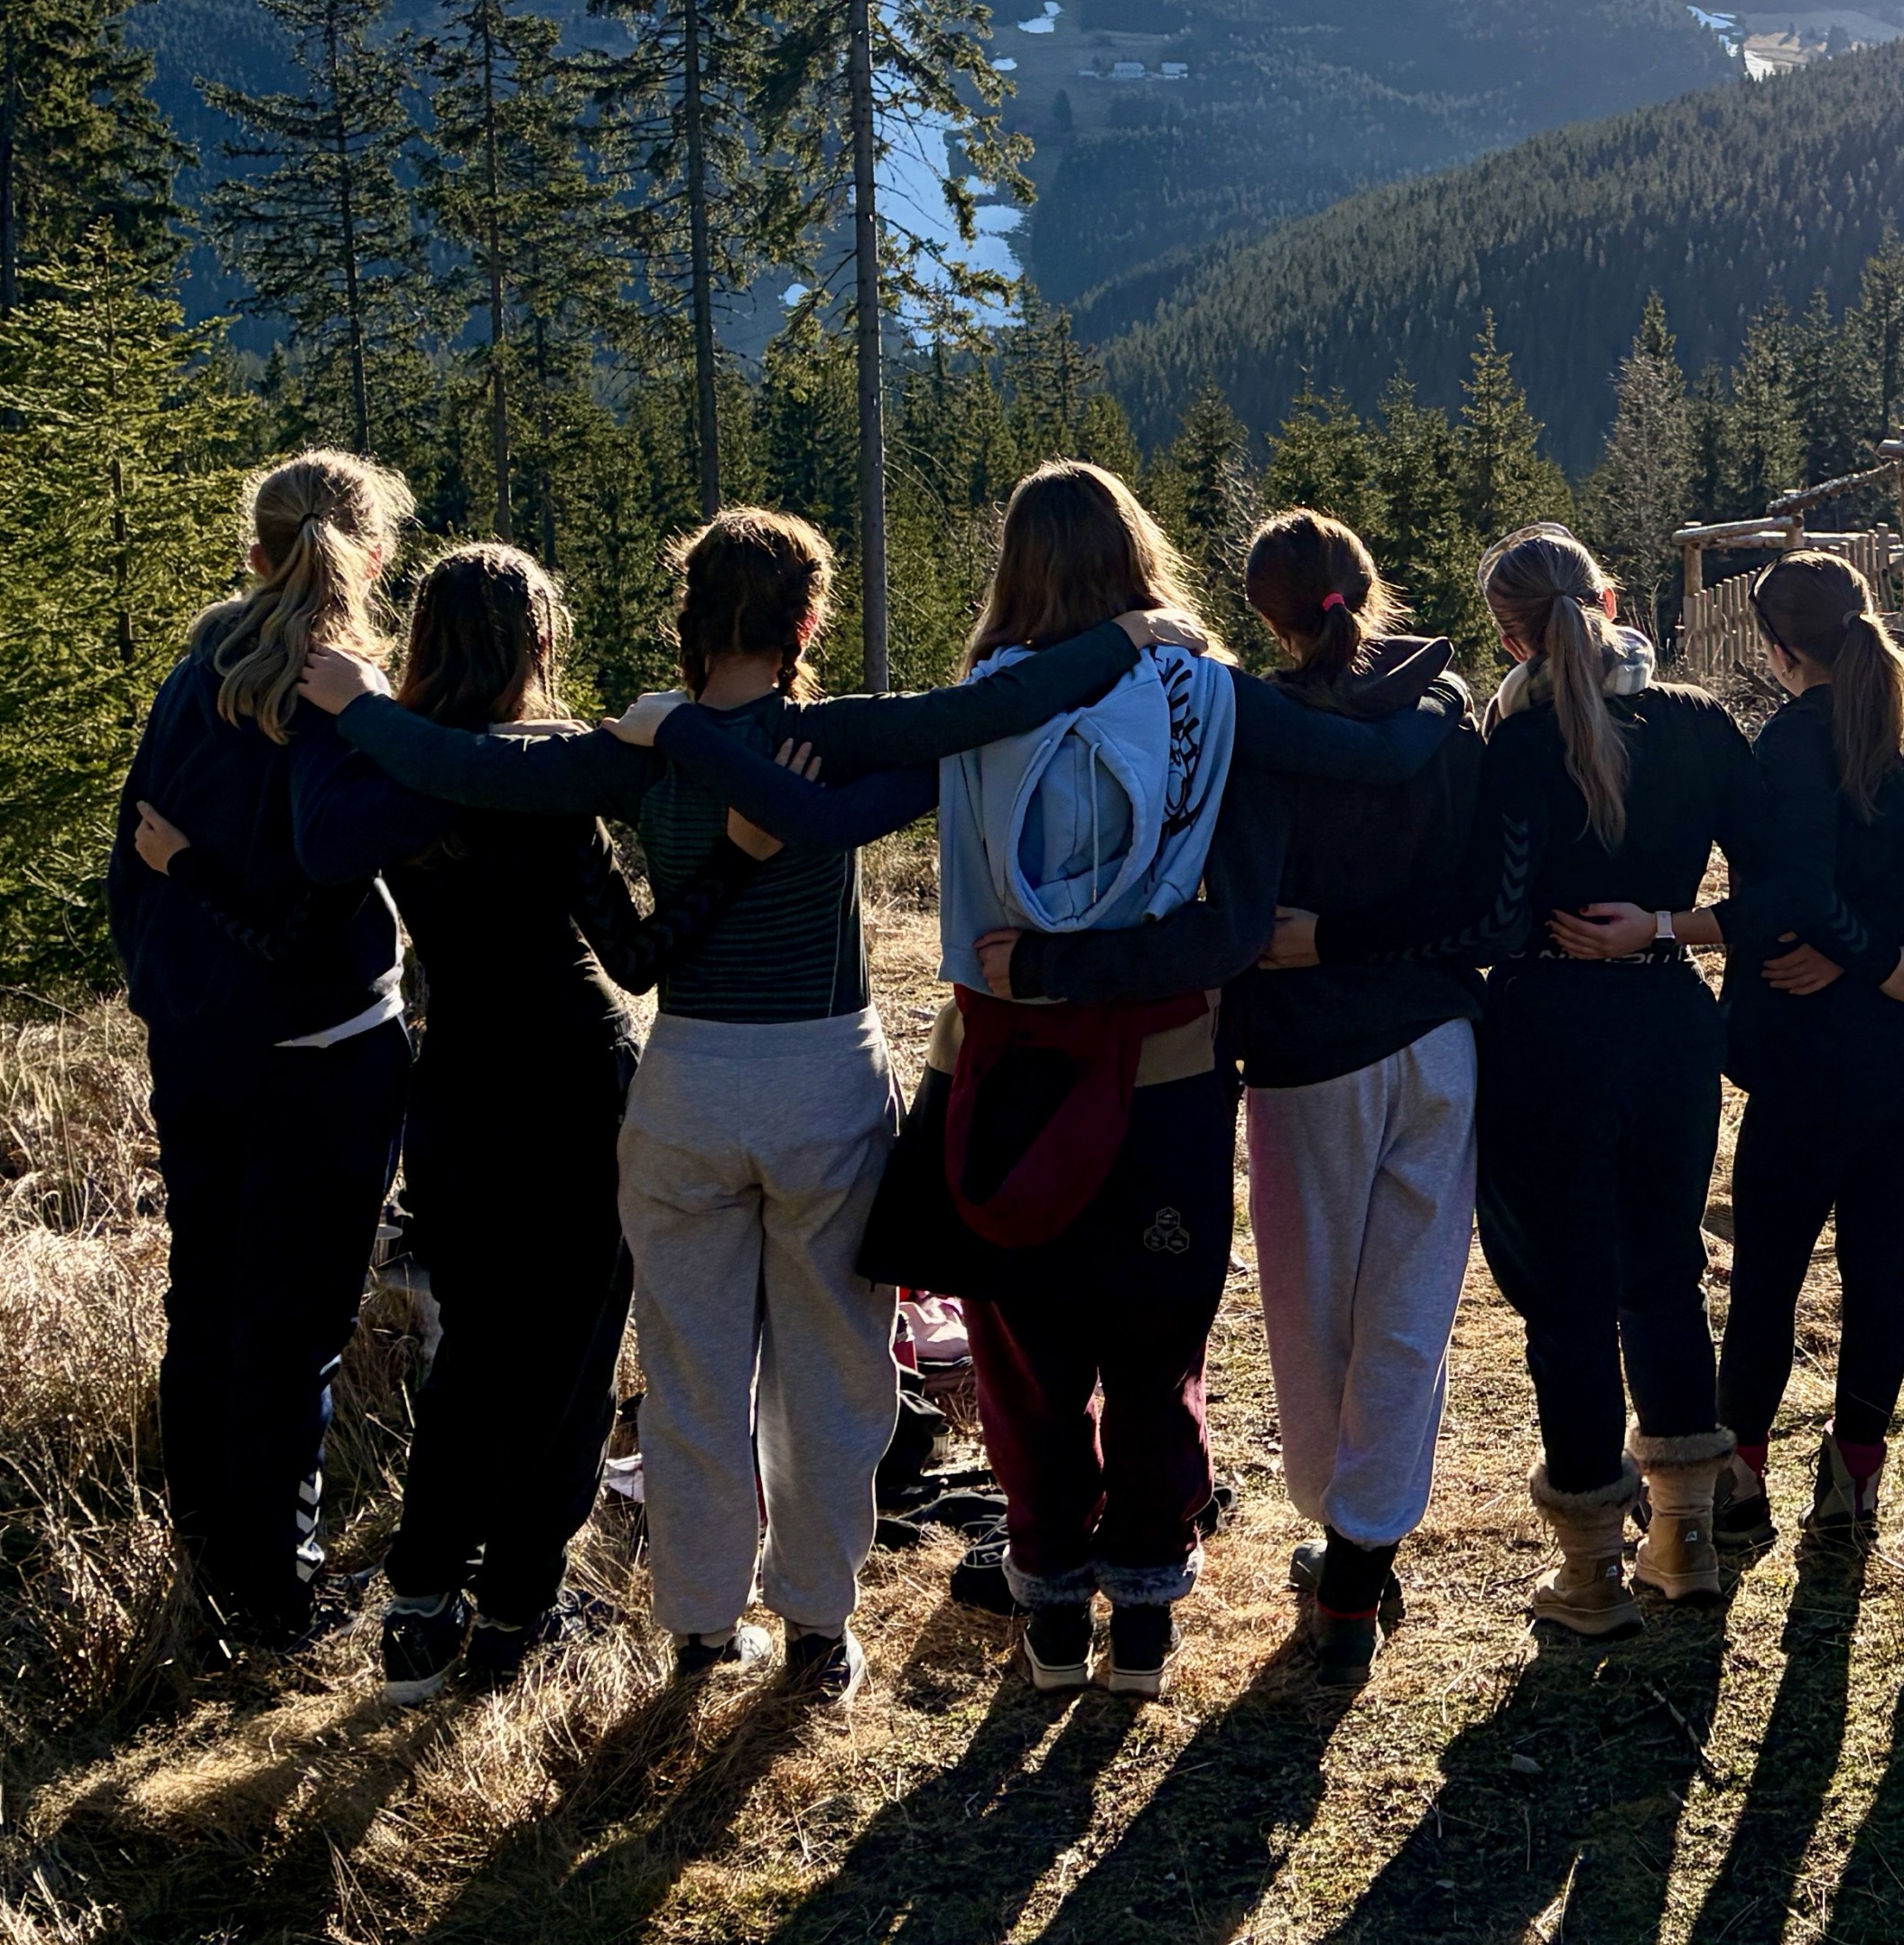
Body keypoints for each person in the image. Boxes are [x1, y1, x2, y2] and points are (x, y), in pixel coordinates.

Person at [309, 507, 1158, 1707]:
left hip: (687, 1086)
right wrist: (1128, 637)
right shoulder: (840, 735)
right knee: (834, 1370)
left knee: (691, 1370)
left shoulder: (638, 745)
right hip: (820, 1078)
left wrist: (357, 701)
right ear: (808, 620)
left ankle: (703, 1626)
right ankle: (817, 1626)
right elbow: (982, 712)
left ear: (687, 617)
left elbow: (472, 765)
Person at [649, 463, 1453, 1700]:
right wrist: (1439, 696)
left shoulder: (978, 707)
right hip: (1169, 1064)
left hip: (1004, 1060)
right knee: (1155, 1336)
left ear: (1012, 569)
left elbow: (827, 800)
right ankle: (1143, 1609)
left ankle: (1052, 1606)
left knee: (1025, 1353)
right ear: (1141, 559)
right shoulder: (1209, 696)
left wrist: (678, 731)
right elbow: (1373, 755)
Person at [144, 543, 658, 1701]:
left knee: (475, 1346)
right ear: (538, 645)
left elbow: (297, 908)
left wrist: (189, 874)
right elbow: (628, 961)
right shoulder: (550, 778)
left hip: (460, 1085)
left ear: (420, 641)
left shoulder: (384, 790)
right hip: (576, 1078)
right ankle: (521, 1601)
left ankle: (420, 1603)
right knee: (572, 1355)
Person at [106, 448, 420, 1664]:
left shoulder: (196, 675)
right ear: (374, 554)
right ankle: (273, 1599)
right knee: (295, 1330)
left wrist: (175, 981)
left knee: (211, 1301)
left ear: (254, 548)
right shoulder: (342, 695)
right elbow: (317, 898)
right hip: (329, 1053)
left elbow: (136, 858)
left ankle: (213, 1566)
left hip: (200, 1050)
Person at [1444, 523, 1754, 1634]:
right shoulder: (1702, 725)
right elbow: (1778, 900)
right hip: (1671, 1020)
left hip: (1540, 1032)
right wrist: (1665, 924)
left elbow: (1484, 917)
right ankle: (1684, 1540)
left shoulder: (1510, 747)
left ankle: (1586, 1575)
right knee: (1663, 1270)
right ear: (1614, 599)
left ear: (1508, 635)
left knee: (1565, 1301)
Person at [1225, 508, 1484, 1684]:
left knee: (1310, 1312)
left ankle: (1347, 1547)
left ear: (1267, 614)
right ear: (1366, 586)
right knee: (1411, 1307)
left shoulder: (1259, 728)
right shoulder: (1447, 705)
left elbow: (1236, 899)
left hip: (1307, 1056)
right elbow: (1476, 887)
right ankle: (1360, 1553)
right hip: (1436, 1035)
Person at [1711, 552, 1904, 1538]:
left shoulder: (1791, 740)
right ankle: (1854, 1477)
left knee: (1768, 1276)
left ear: (1777, 646)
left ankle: (1738, 1475)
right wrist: (1890, 960)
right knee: (1877, 1264)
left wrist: (1857, 957)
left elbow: (1788, 887)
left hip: (1807, 1057)